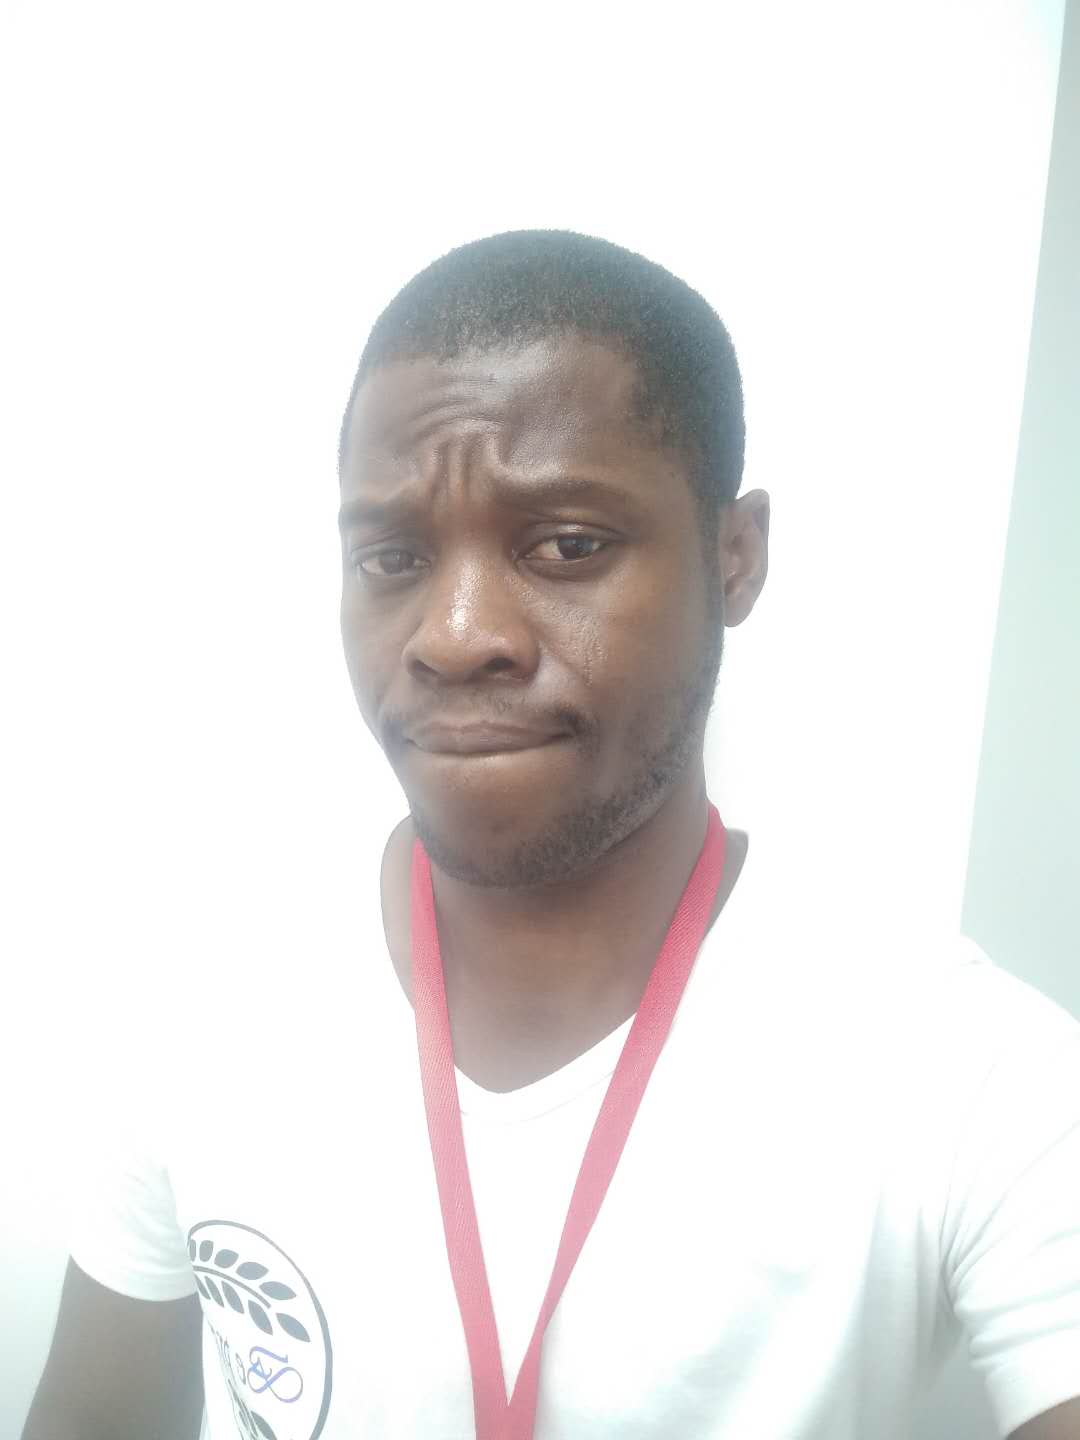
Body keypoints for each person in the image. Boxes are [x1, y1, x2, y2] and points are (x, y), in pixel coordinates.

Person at [21, 230, 1080, 1440]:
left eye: (567, 545)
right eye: (392, 557)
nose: (455, 633)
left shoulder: (969, 1080)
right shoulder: (203, 1009)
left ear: (735, 558)